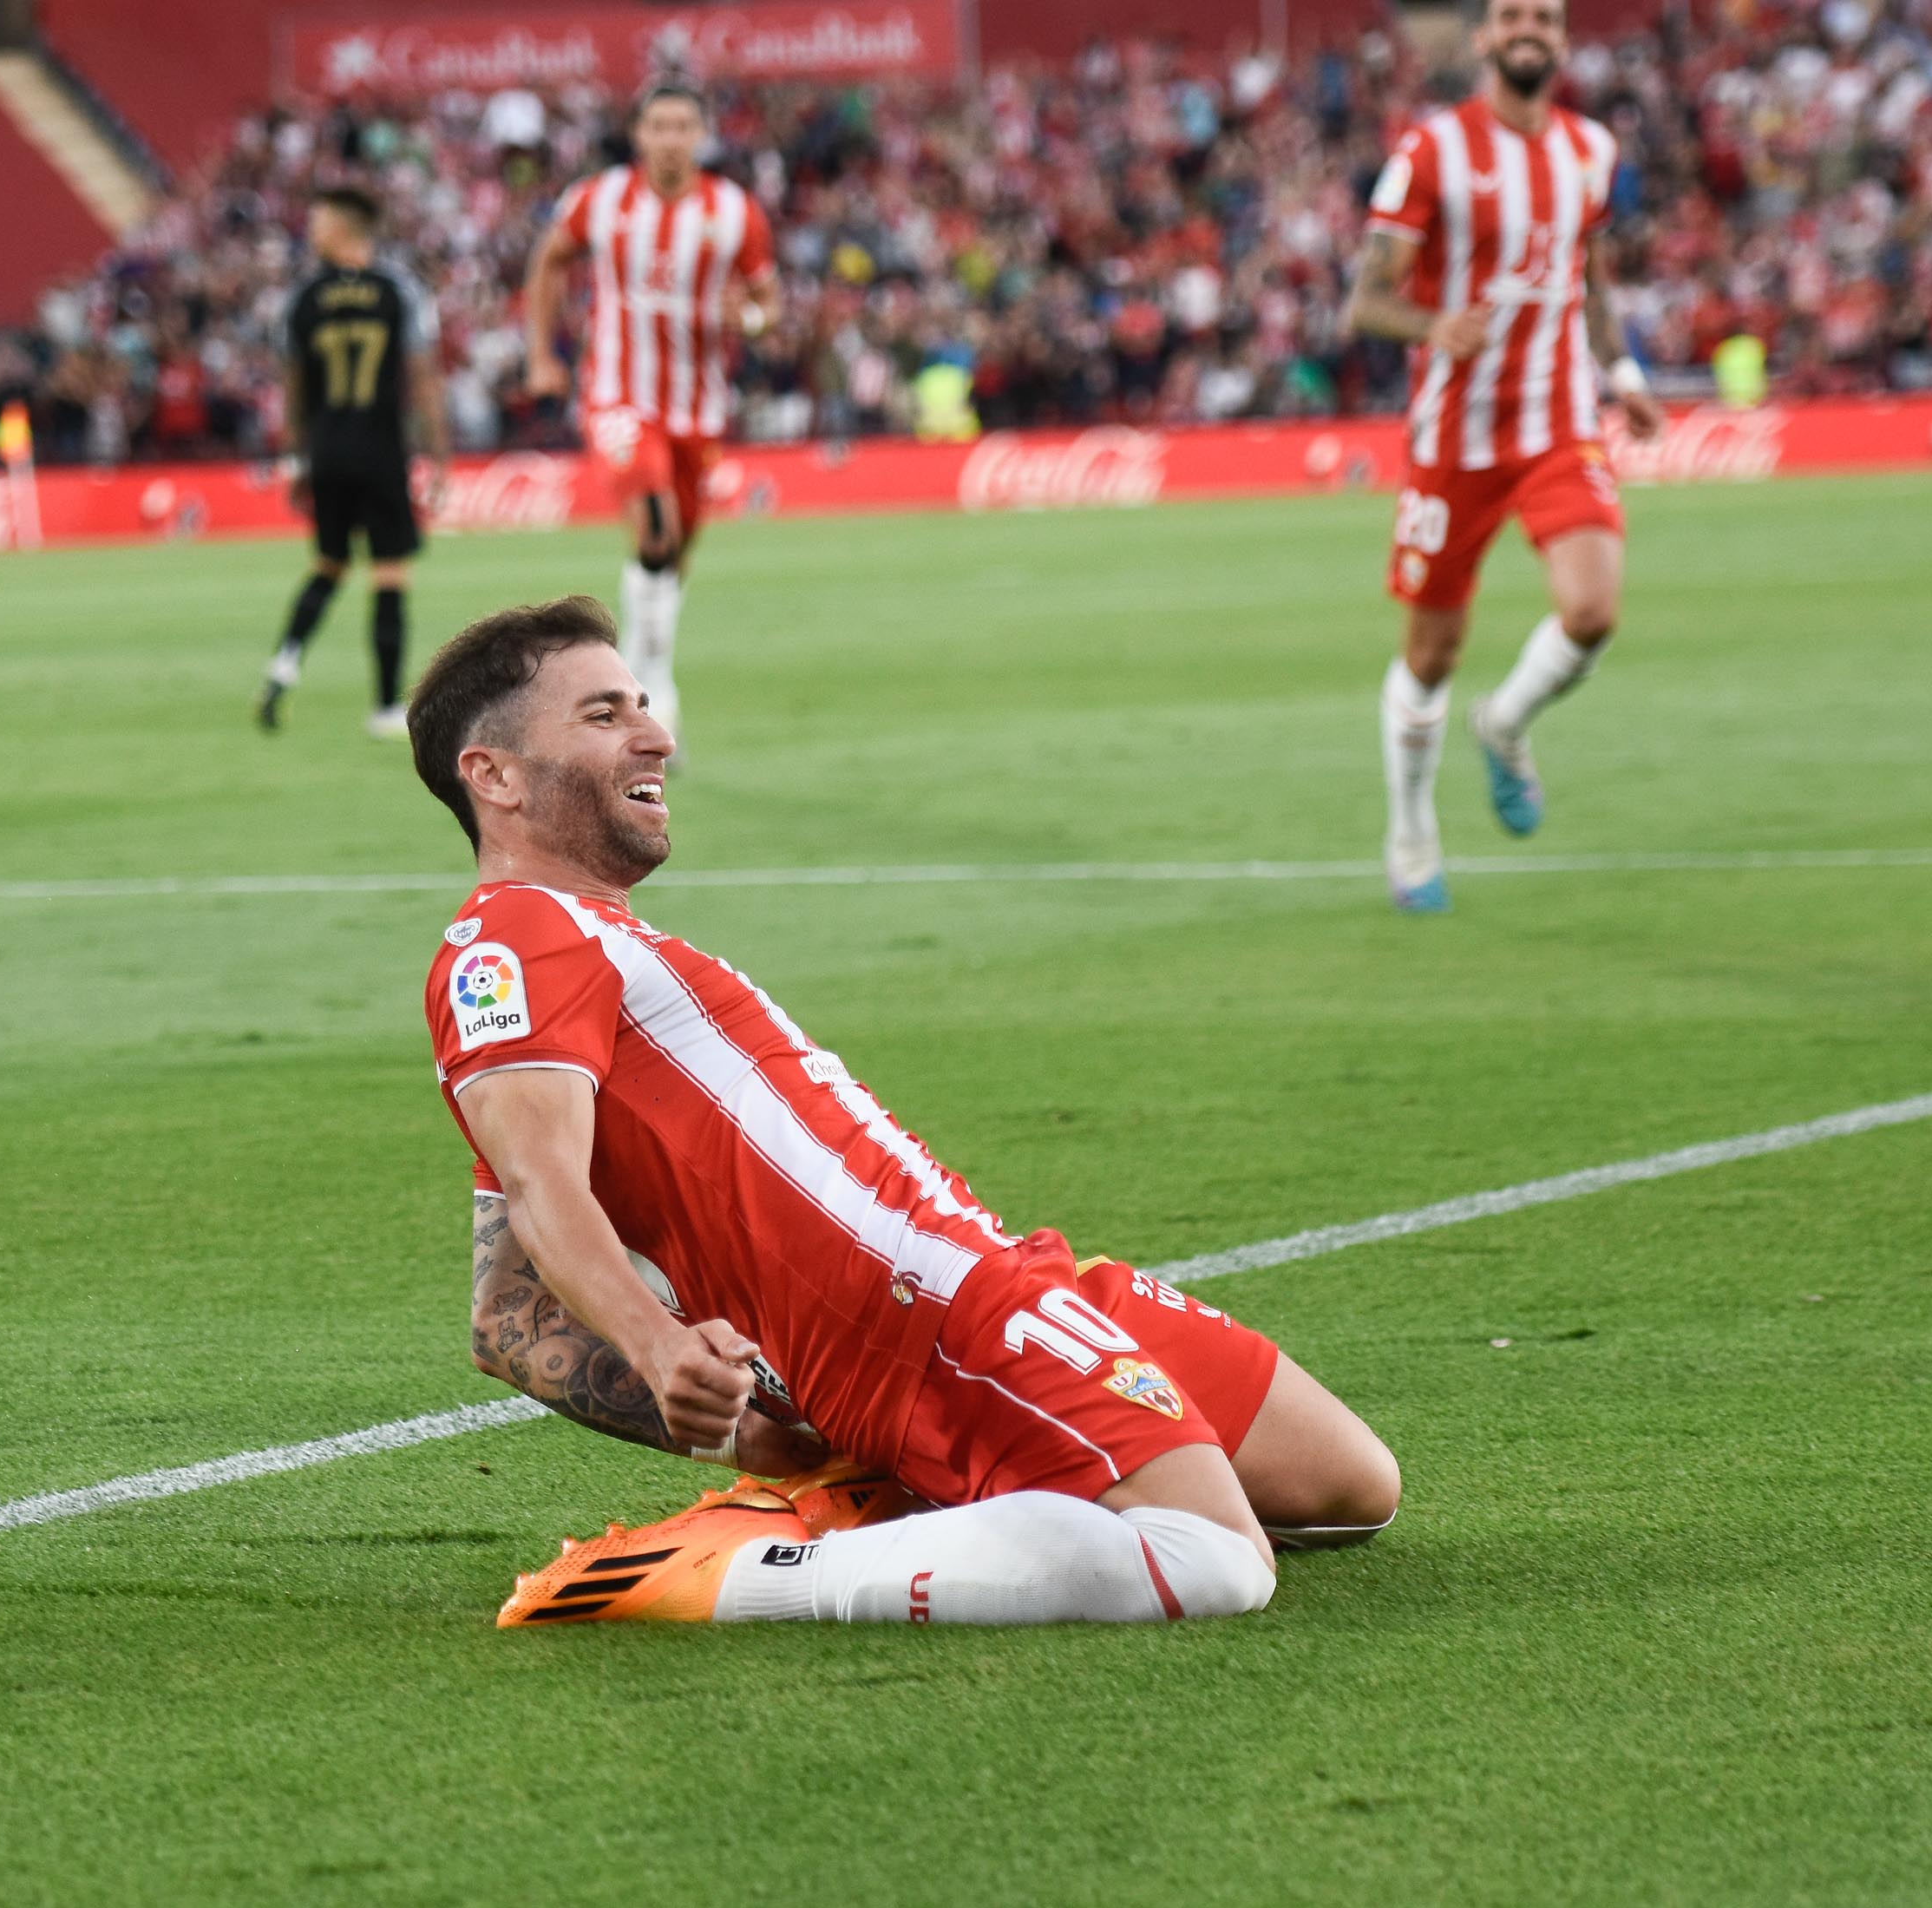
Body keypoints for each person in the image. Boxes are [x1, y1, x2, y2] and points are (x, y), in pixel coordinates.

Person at [411, 599, 1402, 1628]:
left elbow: (506, 1318)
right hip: (918, 1314)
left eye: (643, 706)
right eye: (604, 714)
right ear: (495, 775)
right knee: (1215, 1562)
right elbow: (539, 1190)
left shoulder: (588, 948)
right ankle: (739, 1576)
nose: (654, 735)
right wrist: (660, 1351)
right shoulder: (510, 941)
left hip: (994, 1275)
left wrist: (756, 1435)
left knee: (1348, 1491)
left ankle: (907, 1489)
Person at [1340, 0, 1665, 913]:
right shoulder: (1432, 151)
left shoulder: (1589, 151)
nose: (1531, 29)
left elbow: (1589, 276)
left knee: (1592, 609)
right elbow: (1364, 300)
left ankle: (1505, 722)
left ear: (1561, 42)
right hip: (1455, 440)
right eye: (1514, 16)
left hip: (1558, 425)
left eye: (1548, 19)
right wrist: (1431, 325)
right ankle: (1409, 831)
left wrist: (1623, 370)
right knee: (1432, 652)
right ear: (1484, 39)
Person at [521, 83, 777, 748]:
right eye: (658, 125)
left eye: (683, 125)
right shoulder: (600, 199)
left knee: (673, 549)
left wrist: (746, 317)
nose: (670, 137)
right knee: (656, 523)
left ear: (701, 135)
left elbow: (768, 302)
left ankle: (639, 662)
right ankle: (655, 689)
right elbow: (547, 262)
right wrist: (541, 354)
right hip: (617, 395)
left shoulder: (734, 210)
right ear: (638, 134)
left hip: (698, 405)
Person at [255, 187, 447, 739]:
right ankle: (386, 705)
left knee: (329, 563)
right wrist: (438, 451)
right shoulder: (399, 291)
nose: (311, 230)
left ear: (345, 228)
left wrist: (296, 458)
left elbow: (291, 387)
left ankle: (283, 666)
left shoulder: (303, 299)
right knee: (389, 573)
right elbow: (422, 373)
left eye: (318, 221)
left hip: (326, 450)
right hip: (380, 448)